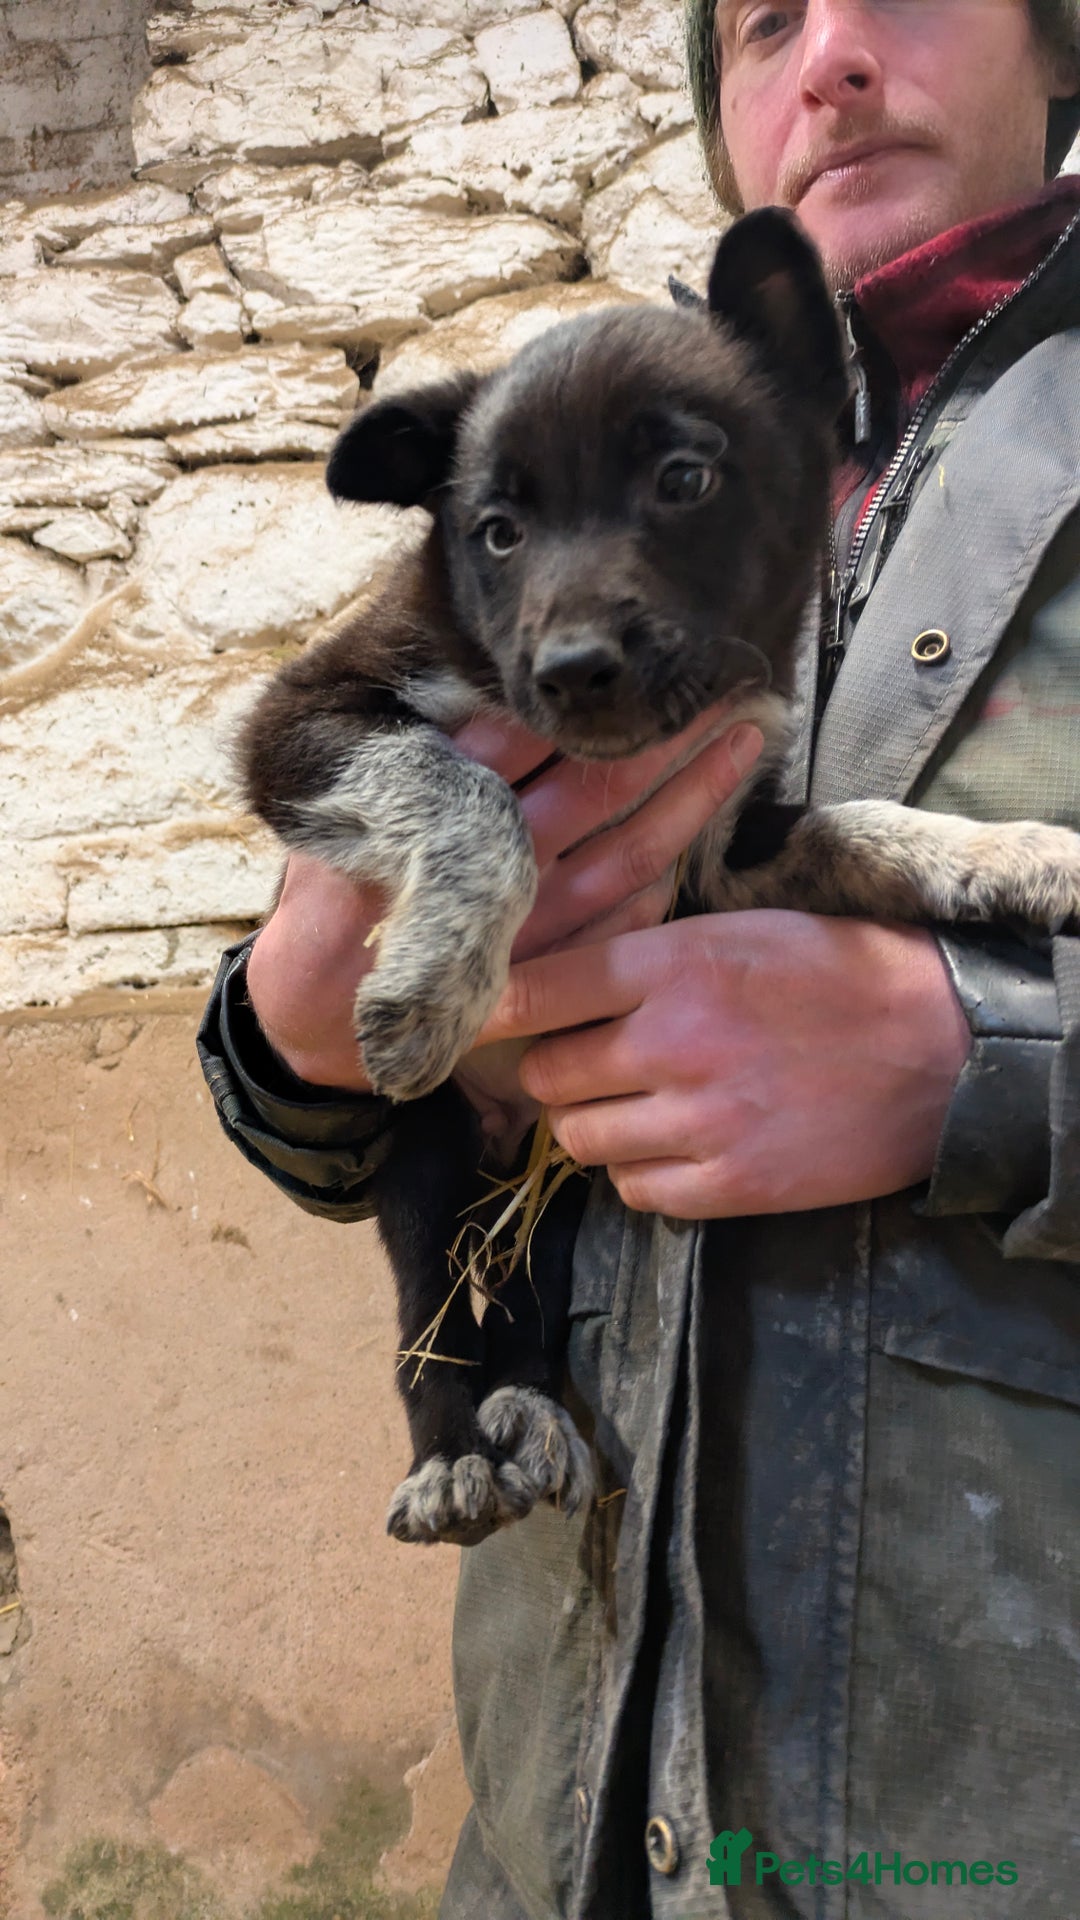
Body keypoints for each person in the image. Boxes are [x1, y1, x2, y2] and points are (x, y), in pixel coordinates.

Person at [198, 2, 1080, 1913]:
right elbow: (321, 1095)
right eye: (760, 18)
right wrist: (293, 1031)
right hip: (557, 1820)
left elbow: (777, 841)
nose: (832, 54)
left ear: (1061, 39)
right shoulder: (589, 437)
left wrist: (976, 1067)